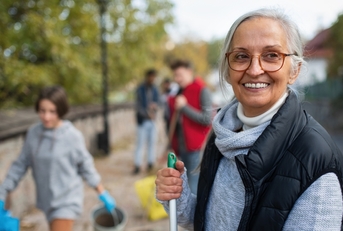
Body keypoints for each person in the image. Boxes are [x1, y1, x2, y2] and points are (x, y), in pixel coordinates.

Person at [155, 8, 343, 231]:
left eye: (272, 55)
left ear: (294, 71)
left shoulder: (314, 160)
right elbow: (211, 221)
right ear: (228, 71)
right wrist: (178, 198)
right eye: (241, 56)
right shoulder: (222, 135)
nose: (254, 70)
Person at [0, 86, 116, 231]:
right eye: (42, 111)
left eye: (52, 111)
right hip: (46, 200)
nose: (46, 117)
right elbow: (20, 164)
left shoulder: (72, 136)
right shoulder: (33, 134)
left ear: (61, 110)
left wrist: (102, 193)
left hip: (67, 201)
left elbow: (86, 166)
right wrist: (3, 191)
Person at [167, 60, 212, 195]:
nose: (177, 79)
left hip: (196, 148)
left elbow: (207, 119)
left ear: (189, 72)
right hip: (181, 147)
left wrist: (184, 107)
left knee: (193, 186)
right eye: (175, 75)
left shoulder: (202, 90)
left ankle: (194, 216)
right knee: (183, 183)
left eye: (180, 75)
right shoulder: (180, 92)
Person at [133, 69, 160, 174]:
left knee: (152, 143)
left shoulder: (155, 90)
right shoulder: (140, 89)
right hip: (142, 121)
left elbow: (159, 103)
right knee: (140, 143)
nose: (152, 79)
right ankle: (137, 164)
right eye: (151, 77)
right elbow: (138, 107)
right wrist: (146, 114)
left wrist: (155, 107)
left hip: (152, 121)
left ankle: (150, 163)